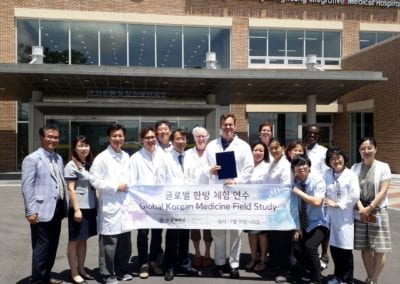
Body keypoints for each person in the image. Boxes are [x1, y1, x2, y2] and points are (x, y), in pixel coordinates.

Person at [205, 113, 254, 279]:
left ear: (235, 126)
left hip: (236, 194)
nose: (228, 127)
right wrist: (210, 171)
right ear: (220, 126)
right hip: (217, 194)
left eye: (230, 125)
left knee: (235, 232)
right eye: (225, 125)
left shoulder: (244, 146)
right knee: (218, 232)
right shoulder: (211, 146)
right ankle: (219, 263)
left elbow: (249, 169)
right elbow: (205, 166)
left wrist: (237, 180)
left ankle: (233, 264)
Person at [21, 124, 67, 284]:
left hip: (57, 209)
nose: (53, 140)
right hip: (40, 210)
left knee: (52, 246)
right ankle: (38, 280)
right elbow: (27, 186)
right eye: (50, 137)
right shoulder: (32, 159)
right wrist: (30, 211)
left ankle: (46, 276)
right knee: (41, 248)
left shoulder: (58, 158)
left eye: (56, 137)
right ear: (42, 138)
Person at [89, 124, 132, 284]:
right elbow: (94, 180)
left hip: (125, 205)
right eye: (114, 136)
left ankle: (121, 271)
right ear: (109, 138)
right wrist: (114, 187)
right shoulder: (102, 158)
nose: (118, 139)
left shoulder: (126, 156)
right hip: (110, 205)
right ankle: (107, 274)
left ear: (124, 137)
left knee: (124, 243)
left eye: (120, 136)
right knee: (109, 243)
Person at [159, 129, 200, 281]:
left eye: (183, 138)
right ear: (172, 140)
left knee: (184, 235)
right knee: (172, 236)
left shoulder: (189, 157)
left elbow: (194, 177)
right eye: (177, 139)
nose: (181, 141)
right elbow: (160, 180)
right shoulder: (165, 158)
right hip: (172, 203)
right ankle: (169, 266)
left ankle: (184, 264)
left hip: (187, 203)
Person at [351, 137, 392, 284]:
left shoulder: (383, 167)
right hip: (360, 212)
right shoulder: (354, 167)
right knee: (365, 246)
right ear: (359, 151)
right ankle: (370, 277)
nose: (366, 151)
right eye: (363, 148)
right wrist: (362, 208)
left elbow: (383, 190)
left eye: (369, 148)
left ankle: (374, 279)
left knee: (379, 247)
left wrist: (369, 207)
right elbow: (352, 191)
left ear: (375, 149)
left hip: (377, 211)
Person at [130, 127, 164, 279]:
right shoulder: (135, 158)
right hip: (141, 202)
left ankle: (154, 262)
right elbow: (132, 182)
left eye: (153, 137)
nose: (151, 140)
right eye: (147, 138)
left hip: (159, 201)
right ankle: (143, 263)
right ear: (142, 140)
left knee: (157, 233)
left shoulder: (163, 155)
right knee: (143, 234)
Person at [323, 147, 360, 284]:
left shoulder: (351, 175)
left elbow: (355, 195)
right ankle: (337, 276)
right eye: (332, 159)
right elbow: (322, 189)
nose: (336, 161)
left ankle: (347, 279)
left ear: (344, 158)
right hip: (330, 217)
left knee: (345, 250)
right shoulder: (327, 173)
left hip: (344, 217)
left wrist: (337, 204)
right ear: (329, 162)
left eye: (338, 157)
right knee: (334, 248)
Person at [291, 154, 329, 284]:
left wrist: (298, 192)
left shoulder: (317, 180)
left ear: (309, 166)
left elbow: (317, 202)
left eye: (303, 164)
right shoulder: (294, 182)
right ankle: (311, 267)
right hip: (302, 224)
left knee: (310, 246)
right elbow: (294, 207)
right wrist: (297, 227)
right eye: (297, 165)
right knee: (295, 247)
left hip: (319, 223)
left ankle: (316, 279)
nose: (301, 167)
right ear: (294, 168)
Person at [64, 136, 97, 284]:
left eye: (86, 145)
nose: (84, 148)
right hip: (79, 208)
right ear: (75, 148)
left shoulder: (88, 164)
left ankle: (82, 268)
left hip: (90, 206)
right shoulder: (71, 165)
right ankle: (74, 272)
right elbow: (71, 189)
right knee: (74, 241)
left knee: (83, 240)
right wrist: (77, 209)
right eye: (80, 145)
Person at [263, 138, 293, 282]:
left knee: (283, 242)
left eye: (277, 148)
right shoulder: (272, 164)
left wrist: (274, 205)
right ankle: (275, 266)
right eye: (271, 148)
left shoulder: (286, 166)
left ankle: (285, 270)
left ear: (283, 148)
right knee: (274, 240)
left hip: (282, 209)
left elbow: (286, 189)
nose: (274, 151)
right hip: (272, 208)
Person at [184, 127, 213, 269]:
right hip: (193, 196)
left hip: (210, 196)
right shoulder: (187, 154)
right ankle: (197, 253)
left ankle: (207, 254)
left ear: (207, 138)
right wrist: (207, 170)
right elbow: (188, 174)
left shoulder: (212, 153)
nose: (200, 139)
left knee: (208, 227)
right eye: (198, 136)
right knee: (194, 227)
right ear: (194, 138)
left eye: (203, 136)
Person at [305, 125, 330, 270]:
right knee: (309, 222)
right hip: (305, 191)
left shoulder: (323, 151)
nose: (312, 136)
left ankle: (324, 254)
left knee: (321, 224)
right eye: (310, 133)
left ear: (318, 136)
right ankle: (311, 253)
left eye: (315, 134)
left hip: (319, 193)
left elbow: (326, 173)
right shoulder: (303, 149)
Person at [245, 141, 270, 272]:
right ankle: (253, 258)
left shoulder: (268, 167)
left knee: (262, 234)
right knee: (251, 233)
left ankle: (263, 260)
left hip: (262, 205)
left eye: (261, 150)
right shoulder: (247, 166)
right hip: (248, 205)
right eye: (255, 150)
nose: (258, 153)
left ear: (265, 153)